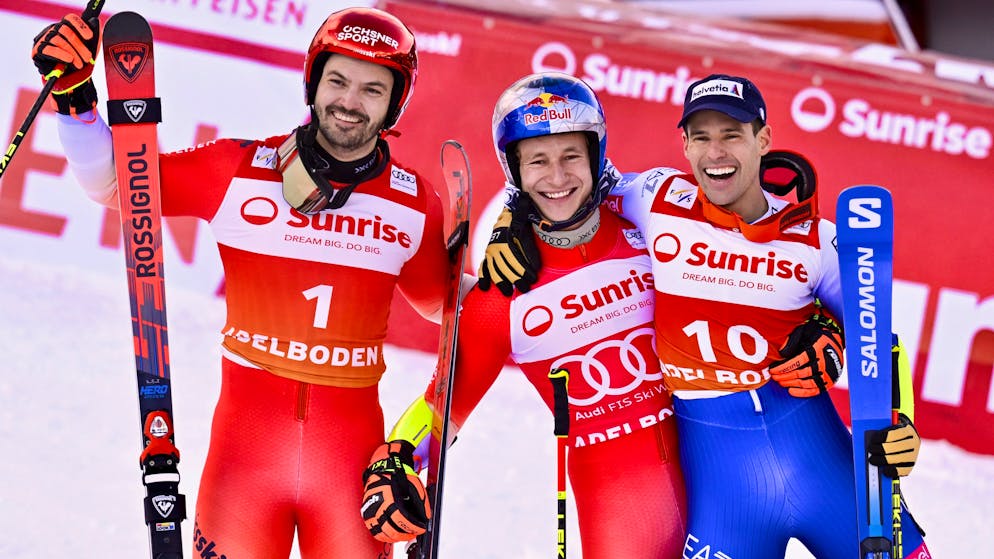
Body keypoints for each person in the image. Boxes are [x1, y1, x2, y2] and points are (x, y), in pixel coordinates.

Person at [32, 8, 451, 558]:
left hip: (350, 473)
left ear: (395, 102)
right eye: (338, 80)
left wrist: (519, 257)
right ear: (313, 80)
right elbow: (119, 183)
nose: (350, 101)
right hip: (244, 466)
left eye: (373, 88)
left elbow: (449, 309)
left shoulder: (413, 202)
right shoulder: (237, 169)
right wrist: (76, 99)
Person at [477, 73, 930, 558]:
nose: (716, 153)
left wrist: (897, 417)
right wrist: (511, 220)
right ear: (685, 147)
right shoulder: (654, 198)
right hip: (724, 495)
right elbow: (569, 189)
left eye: (732, 134)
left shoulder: (818, 239)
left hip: (827, 471)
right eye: (702, 138)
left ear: (764, 139)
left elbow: (877, 335)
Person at [358, 73, 687, 558]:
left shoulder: (647, 227)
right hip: (623, 503)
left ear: (597, 156)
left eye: (571, 155)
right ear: (514, 169)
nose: (557, 178)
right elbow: (442, 407)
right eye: (537, 161)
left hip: (722, 468)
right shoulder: (502, 297)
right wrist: (399, 459)